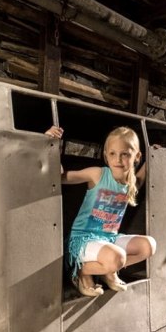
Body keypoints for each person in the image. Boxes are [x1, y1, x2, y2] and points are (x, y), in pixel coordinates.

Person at [61, 126, 156, 297]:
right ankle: (82, 271)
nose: (118, 159)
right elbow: (62, 177)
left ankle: (106, 269)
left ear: (137, 156)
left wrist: (153, 158)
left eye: (125, 154)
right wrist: (49, 143)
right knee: (117, 257)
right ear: (106, 155)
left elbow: (139, 181)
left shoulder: (130, 182)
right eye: (112, 153)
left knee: (148, 246)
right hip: (83, 240)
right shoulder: (97, 174)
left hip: (108, 238)